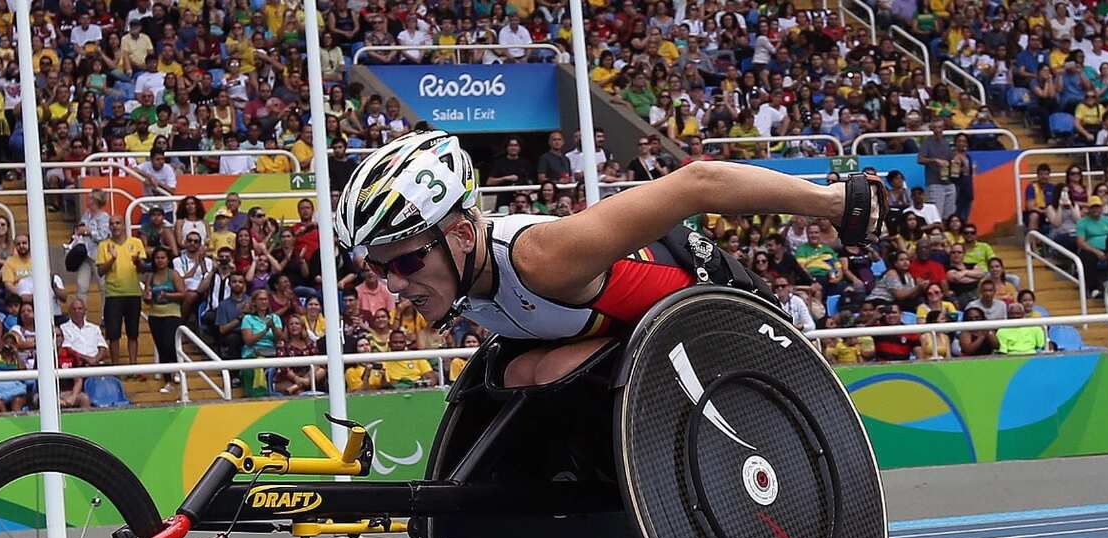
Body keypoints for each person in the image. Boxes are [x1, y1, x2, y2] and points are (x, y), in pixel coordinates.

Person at [335, 130, 884, 387]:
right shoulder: (460, 282)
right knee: (516, 374)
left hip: (712, 303)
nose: (392, 286)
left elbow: (698, 182)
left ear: (460, 233)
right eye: (377, 269)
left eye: (404, 264)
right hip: (633, 334)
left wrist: (835, 202)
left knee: (545, 372)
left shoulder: (542, 258)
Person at [96, 215, 147, 365]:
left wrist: (138, 261)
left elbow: (143, 269)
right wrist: (112, 259)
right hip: (113, 295)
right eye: (111, 224)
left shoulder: (136, 242)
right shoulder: (103, 245)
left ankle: (133, 366)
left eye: (118, 223)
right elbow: (100, 272)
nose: (115, 226)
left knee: (133, 333)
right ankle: (116, 367)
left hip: (133, 293)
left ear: (124, 225)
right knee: (113, 334)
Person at [145, 247, 182, 393]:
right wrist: (147, 297)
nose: (160, 261)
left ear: (168, 260)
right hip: (155, 315)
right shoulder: (151, 276)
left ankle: (177, 369)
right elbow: (147, 296)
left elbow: (183, 293)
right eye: (157, 258)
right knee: (161, 347)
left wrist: (167, 295)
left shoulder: (173, 275)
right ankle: (167, 381)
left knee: (169, 344)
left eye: (163, 258)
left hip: (172, 313)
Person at [1077, 195, 1108, 298]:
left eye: (1097, 207)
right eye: (1093, 207)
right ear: (1089, 209)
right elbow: (1080, 242)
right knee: (1087, 257)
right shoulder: (1082, 222)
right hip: (1091, 249)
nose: (1095, 209)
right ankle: (1093, 289)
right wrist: (1096, 251)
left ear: (1101, 208)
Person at [58, 297, 109, 366]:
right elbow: (68, 350)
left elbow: (103, 347)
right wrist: (87, 359)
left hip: (97, 364)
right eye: (74, 309)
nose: (77, 311)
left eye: (80, 308)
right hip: (76, 366)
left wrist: (95, 359)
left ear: (85, 311)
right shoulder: (63, 328)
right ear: (69, 312)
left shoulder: (94, 328)